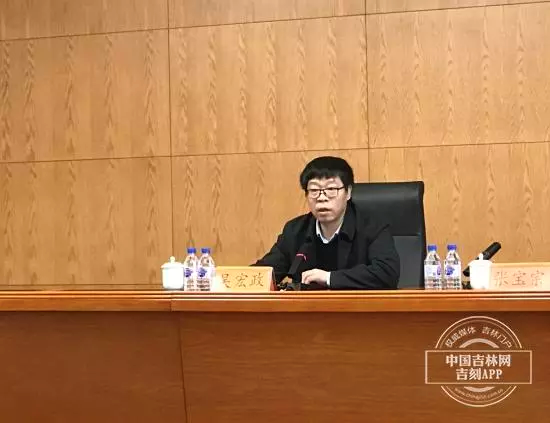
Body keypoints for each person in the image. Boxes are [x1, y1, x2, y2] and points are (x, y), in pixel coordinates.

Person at [254, 156, 400, 290]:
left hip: (359, 308)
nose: (322, 198)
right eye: (314, 190)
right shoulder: (295, 231)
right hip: (308, 309)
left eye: (331, 189)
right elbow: (265, 273)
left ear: (348, 192)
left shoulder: (372, 227)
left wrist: (329, 278)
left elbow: (387, 274)